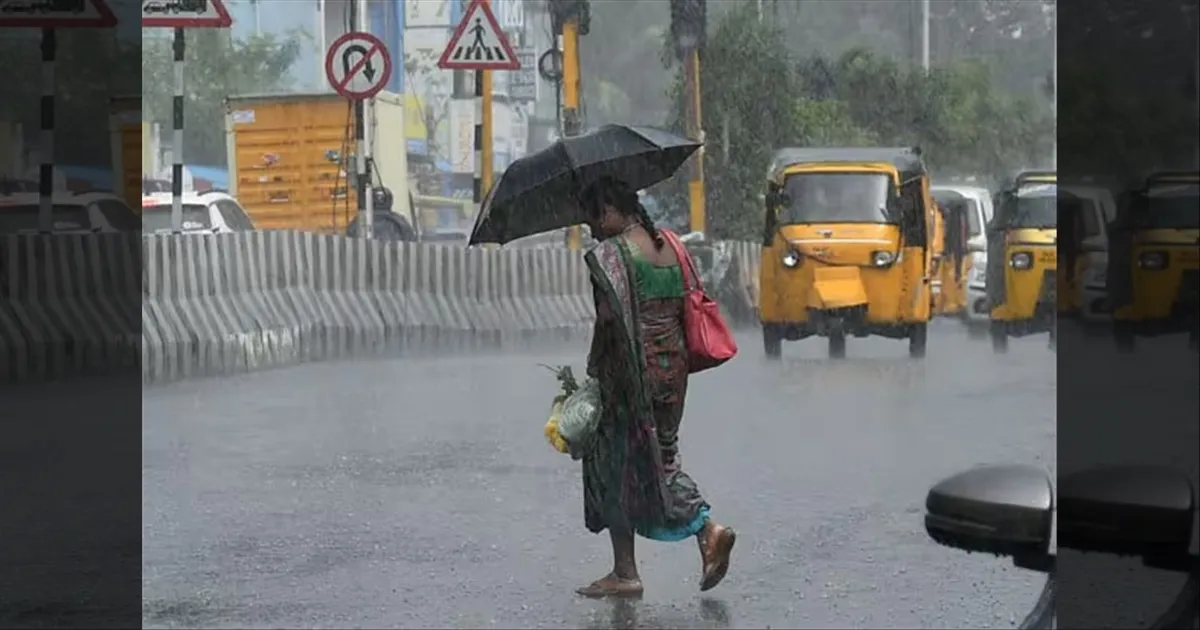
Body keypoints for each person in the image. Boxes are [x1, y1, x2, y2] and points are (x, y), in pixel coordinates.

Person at [575, 176, 736, 599]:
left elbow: (609, 324)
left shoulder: (610, 256)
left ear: (609, 209)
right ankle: (698, 536)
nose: (591, 229)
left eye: (592, 218)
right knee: (659, 454)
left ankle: (637, 565)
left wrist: (592, 375)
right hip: (672, 371)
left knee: (613, 464)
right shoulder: (670, 243)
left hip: (631, 376)